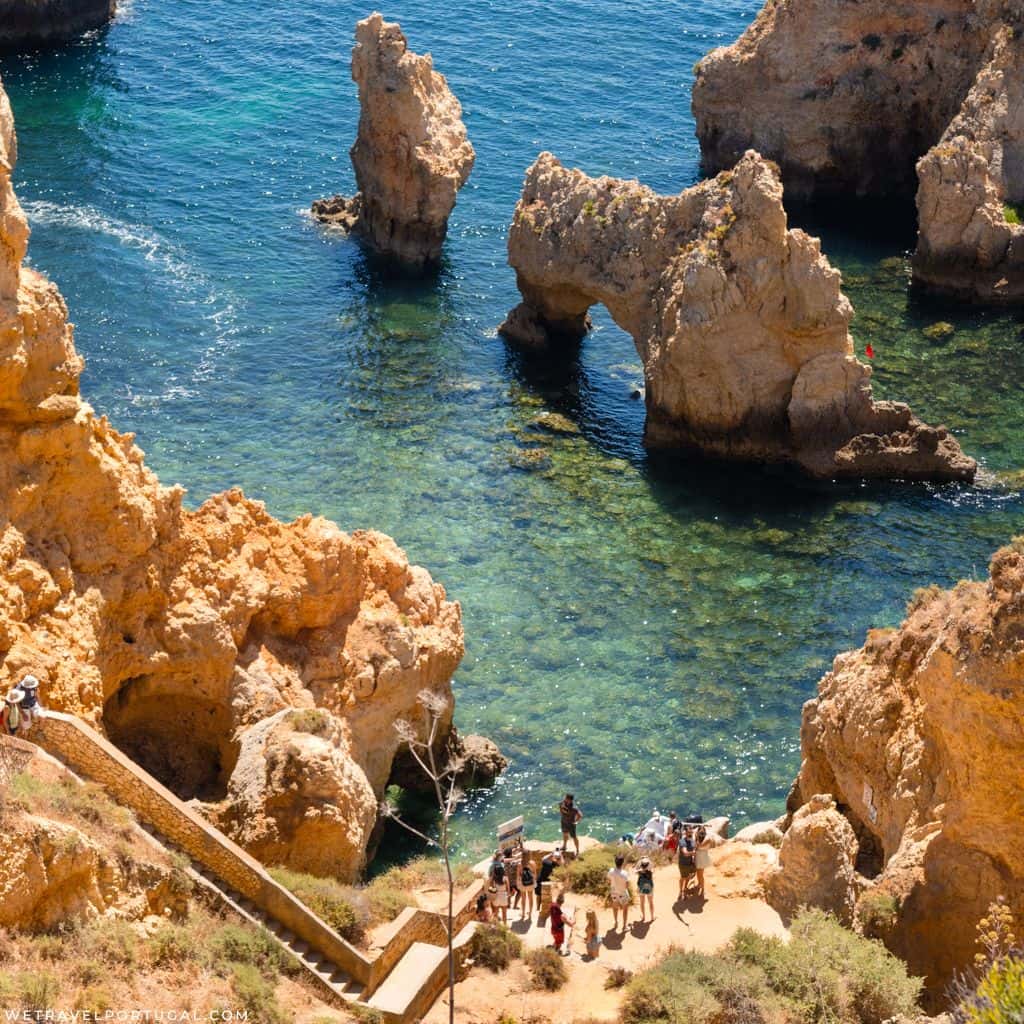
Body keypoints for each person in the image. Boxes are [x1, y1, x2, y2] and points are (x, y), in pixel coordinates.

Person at [608, 854, 631, 931]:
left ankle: (615, 922)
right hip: (622, 893)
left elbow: (608, 881)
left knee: (615, 908)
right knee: (625, 910)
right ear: (622, 862)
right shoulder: (625, 873)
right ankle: (624, 926)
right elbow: (627, 886)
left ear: (615, 862)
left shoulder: (611, 871)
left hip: (614, 892)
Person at [489, 851, 511, 923]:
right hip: (503, 895)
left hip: (496, 895)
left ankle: (496, 928)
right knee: (504, 913)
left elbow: (491, 886)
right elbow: (508, 889)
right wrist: (508, 895)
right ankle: (505, 927)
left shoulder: (494, 879)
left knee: (496, 913)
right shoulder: (505, 878)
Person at [678, 824, 697, 898]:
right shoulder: (682, 841)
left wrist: (694, 855)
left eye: (691, 831)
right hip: (683, 863)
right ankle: (680, 891)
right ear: (685, 832)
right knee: (683, 878)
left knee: (689, 876)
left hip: (690, 863)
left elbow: (694, 847)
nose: (690, 833)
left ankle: (685, 889)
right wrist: (693, 853)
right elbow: (685, 853)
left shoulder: (692, 840)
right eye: (689, 831)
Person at [694, 825, 712, 897]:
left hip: (702, 858)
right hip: (699, 857)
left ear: (705, 832)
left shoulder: (707, 839)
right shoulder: (700, 838)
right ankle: (699, 884)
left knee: (700, 874)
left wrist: (696, 837)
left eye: (702, 832)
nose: (701, 833)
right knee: (698, 873)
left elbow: (699, 846)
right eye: (700, 832)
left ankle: (702, 888)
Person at [636, 856, 655, 922]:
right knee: (651, 902)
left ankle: (643, 916)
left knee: (642, 902)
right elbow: (652, 872)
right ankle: (652, 917)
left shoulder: (639, 870)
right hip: (650, 886)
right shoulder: (650, 869)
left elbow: (636, 872)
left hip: (641, 886)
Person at [519, 855, 535, 921]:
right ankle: (530, 913)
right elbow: (534, 874)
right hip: (530, 883)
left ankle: (523, 913)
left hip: (523, 883)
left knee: (523, 899)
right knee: (530, 898)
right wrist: (533, 882)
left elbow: (518, 875)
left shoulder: (520, 864)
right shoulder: (532, 863)